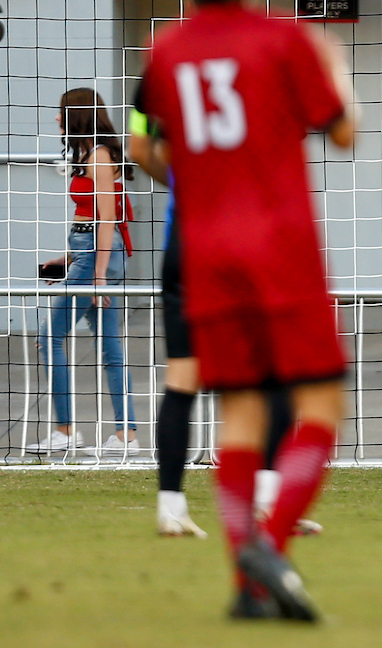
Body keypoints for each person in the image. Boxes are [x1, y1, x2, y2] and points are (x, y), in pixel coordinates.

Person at [134, 0, 356, 620]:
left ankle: (245, 584)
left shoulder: (165, 53)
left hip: (204, 250)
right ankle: (270, 538)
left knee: (237, 412)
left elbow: (158, 148)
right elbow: (343, 131)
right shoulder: (286, 39)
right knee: (319, 404)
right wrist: (335, 67)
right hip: (280, 245)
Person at [126, 125, 324, 539]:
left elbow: (139, 147)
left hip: (183, 242)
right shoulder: (256, 77)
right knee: (273, 374)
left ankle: (171, 509)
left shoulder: (162, 79)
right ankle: (268, 503)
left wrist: (183, 179)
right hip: (241, 240)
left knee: (181, 381)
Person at [28, 89, 138, 456]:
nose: (57, 120)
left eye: (62, 113)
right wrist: (67, 258)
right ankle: (126, 436)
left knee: (49, 337)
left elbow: (108, 217)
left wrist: (98, 275)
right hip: (86, 253)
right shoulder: (89, 154)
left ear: (76, 116)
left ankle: (65, 430)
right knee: (110, 348)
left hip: (96, 258)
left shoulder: (101, 156)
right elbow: (91, 220)